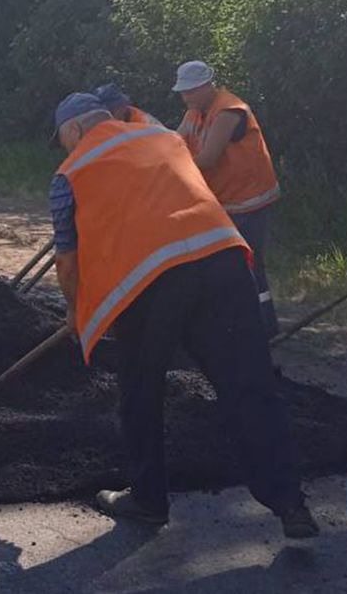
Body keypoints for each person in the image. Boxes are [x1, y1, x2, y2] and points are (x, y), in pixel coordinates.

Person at [49, 92, 317, 537]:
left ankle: (149, 500)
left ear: (76, 130)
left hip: (150, 281)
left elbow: (68, 261)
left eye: (62, 139)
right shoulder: (163, 138)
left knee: (140, 389)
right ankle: (290, 502)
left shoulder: (70, 173)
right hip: (222, 262)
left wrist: (76, 315)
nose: (64, 149)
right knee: (250, 385)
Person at [174, 61, 281, 337]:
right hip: (226, 201)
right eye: (183, 93)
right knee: (227, 265)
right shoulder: (196, 112)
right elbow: (175, 143)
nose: (185, 98)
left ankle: (265, 326)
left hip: (250, 200)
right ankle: (238, 323)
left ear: (206, 86)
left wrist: (172, 171)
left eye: (190, 92)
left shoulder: (230, 111)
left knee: (249, 264)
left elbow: (208, 158)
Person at [92, 82, 163, 127]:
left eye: (111, 110)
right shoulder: (122, 119)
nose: (108, 115)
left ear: (122, 106)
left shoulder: (142, 123)